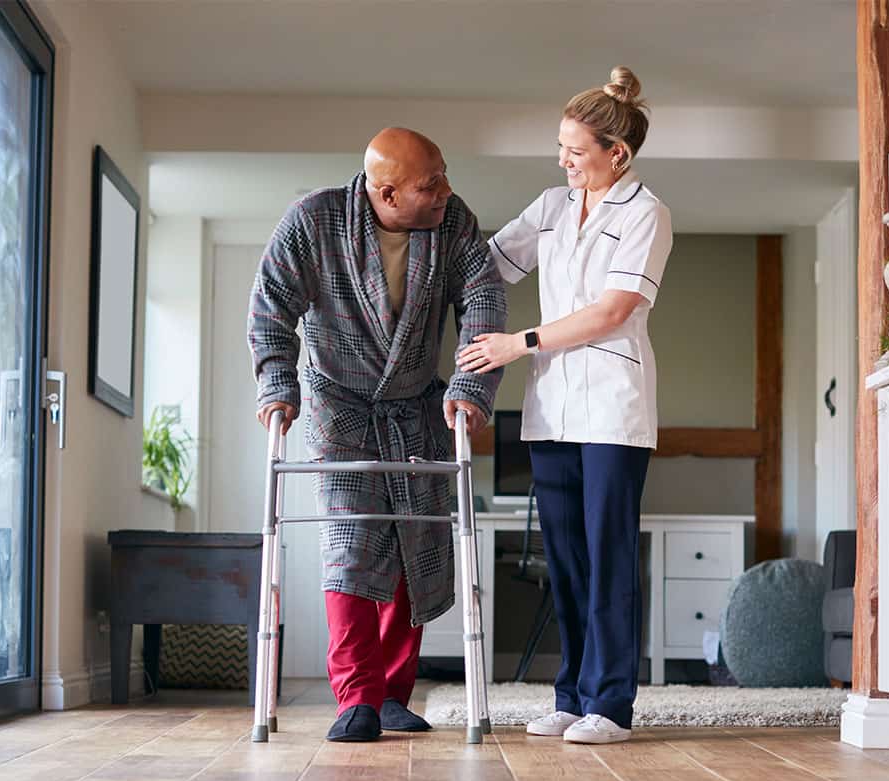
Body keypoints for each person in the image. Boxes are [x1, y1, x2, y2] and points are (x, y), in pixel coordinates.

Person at [248, 127, 506, 743]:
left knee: (414, 544)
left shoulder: (454, 224)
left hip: (416, 404)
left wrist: (470, 392)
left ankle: (394, 694)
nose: (446, 189)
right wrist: (277, 384)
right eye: (430, 183)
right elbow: (270, 306)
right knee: (352, 542)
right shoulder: (314, 221)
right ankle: (356, 698)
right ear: (386, 194)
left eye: (444, 173)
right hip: (340, 405)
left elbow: (483, 302)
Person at [459, 66, 672, 745]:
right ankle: (571, 694)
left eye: (576, 151)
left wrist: (517, 342)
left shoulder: (646, 214)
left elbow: (612, 311)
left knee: (608, 556)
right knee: (565, 558)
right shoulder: (552, 207)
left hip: (613, 409)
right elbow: (488, 264)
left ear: (619, 153)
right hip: (551, 408)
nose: (564, 161)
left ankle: (610, 705)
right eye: (561, 148)